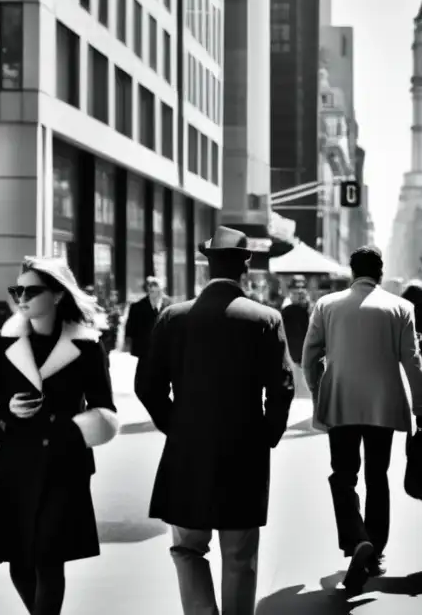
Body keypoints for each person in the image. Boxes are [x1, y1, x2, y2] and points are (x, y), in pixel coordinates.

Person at [135, 226, 296, 615]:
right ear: (246, 269)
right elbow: (283, 388)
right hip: (244, 447)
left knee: (187, 547)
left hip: (187, 447)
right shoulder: (265, 318)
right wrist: (265, 435)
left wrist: (175, 424)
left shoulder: (172, 318)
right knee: (240, 555)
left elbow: (146, 385)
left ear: (207, 267)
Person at [0, 256, 118, 615]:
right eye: (16, 290)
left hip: (64, 464)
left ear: (56, 294)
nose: (21, 297)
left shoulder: (86, 346)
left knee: (49, 558)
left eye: (31, 290)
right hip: (15, 464)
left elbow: (104, 408)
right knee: (20, 561)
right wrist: (6, 412)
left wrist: (68, 428)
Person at [302, 246, 422, 595]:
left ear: (351, 271)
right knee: (377, 476)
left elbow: (309, 355)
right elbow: (412, 360)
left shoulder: (327, 306)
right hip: (383, 404)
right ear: (381, 273)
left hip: (340, 401)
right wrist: (421, 406)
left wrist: (318, 388)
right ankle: (375, 551)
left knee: (342, 474)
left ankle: (357, 539)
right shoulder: (401, 308)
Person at [124, 276, 169, 363]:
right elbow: (130, 327)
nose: (151, 288)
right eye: (149, 285)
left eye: (155, 285)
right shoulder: (137, 307)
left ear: (161, 288)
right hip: (144, 351)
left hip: (164, 350)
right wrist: (128, 343)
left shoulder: (169, 305)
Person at [281, 275, 312, 366]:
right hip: (293, 353)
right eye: (297, 287)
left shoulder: (309, 306)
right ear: (291, 290)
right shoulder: (287, 307)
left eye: (302, 287)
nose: (300, 290)